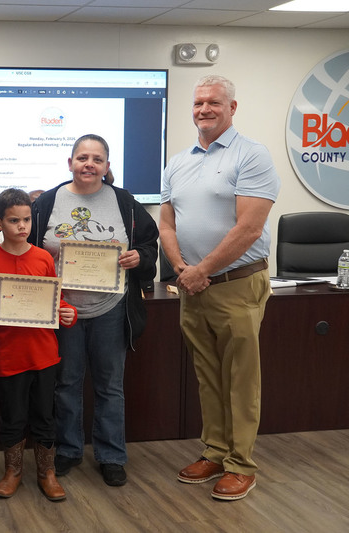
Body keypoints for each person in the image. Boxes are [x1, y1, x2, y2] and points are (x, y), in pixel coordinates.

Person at [160, 75, 280, 501]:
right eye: (198, 103)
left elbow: (248, 228)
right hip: (193, 287)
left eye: (213, 102)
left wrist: (201, 269)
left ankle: (241, 464)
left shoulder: (252, 156)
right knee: (207, 376)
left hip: (236, 285)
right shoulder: (178, 161)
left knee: (240, 379)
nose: (203, 109)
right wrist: (179, 267)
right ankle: (214, 452)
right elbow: (167, 222)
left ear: (232, 108)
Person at [29, 134, 158, 487]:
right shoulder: (49, 202)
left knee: (109, 387)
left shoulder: (124, 202)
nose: (89, 164)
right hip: (64, 309)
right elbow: (27, 248)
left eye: (97, 159)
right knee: (66, 384)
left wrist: (140, 257)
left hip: (111, 308)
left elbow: (149, 243)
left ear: (107, 166)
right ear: (70, 162)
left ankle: (112, 456)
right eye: (82, 157)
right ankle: (69, 450)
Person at [0, 188, 77, 502]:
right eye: (14, 220)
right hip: (7, 355)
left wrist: (67, 314)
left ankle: (46, 472)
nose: (22, 226)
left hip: (44, 354)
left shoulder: (44, 257)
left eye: (27, 219)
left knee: (45, 415)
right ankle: (13, 471)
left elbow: (58, 303)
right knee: (12, 416)